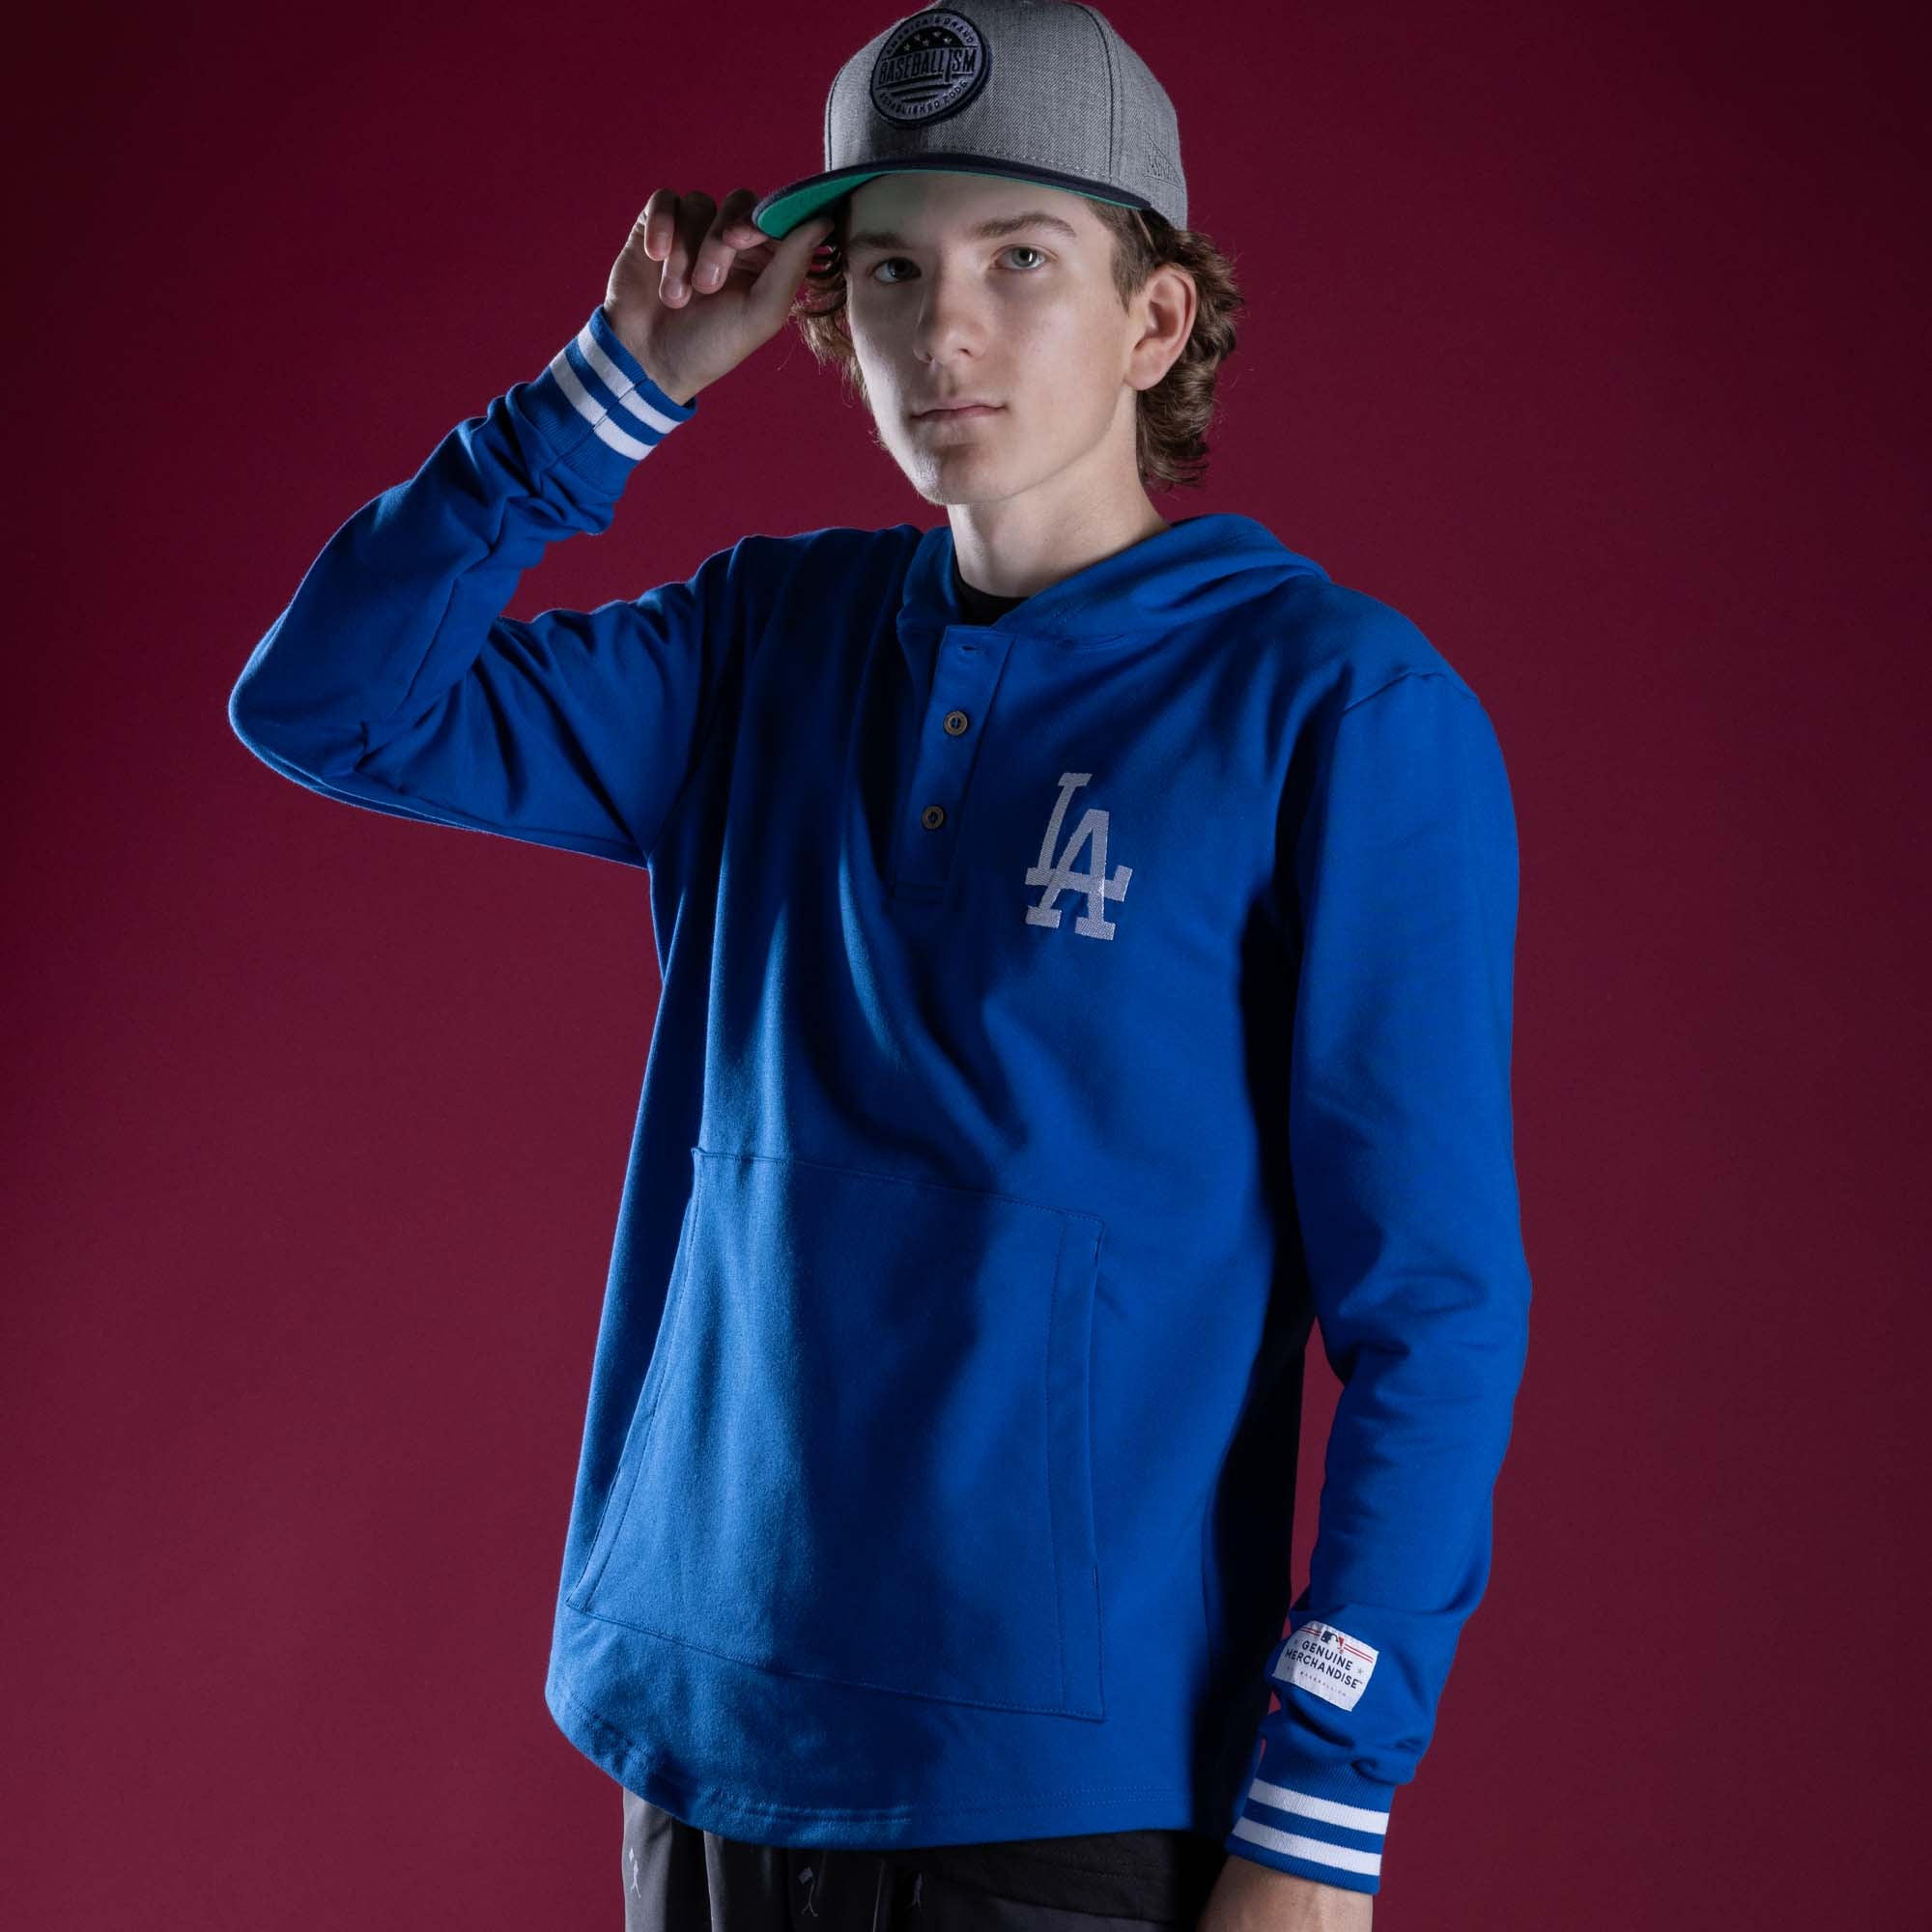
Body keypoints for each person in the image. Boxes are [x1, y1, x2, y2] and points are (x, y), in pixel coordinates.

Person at [227, 3, 1532, 1926]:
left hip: (1056, 1791)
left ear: (1155, 320)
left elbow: (1433, 1308)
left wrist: (1321, 1802)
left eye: (1022, 260)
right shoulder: (761, 641)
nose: (947, 332)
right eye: (894, 270)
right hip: (698, 1732)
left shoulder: (1333, 706)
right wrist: (608, 390)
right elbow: (331, 702)